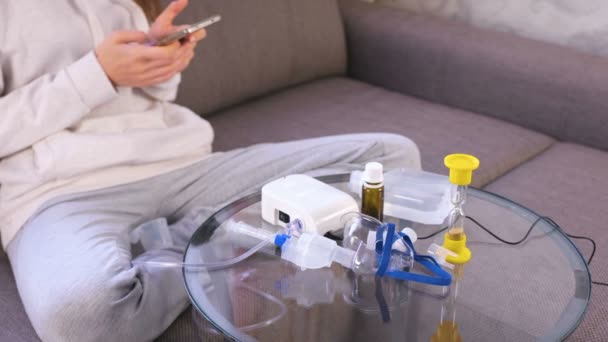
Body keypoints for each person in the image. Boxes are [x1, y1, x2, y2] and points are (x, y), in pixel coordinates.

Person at [0, 0, 421, 341]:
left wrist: (159, 64)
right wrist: (96, 74)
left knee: (393, 159)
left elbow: (145, 101)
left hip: (184, 166)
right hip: (60, 193)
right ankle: (229, 228)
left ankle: (210, 232)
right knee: (83, 318)